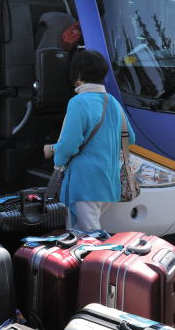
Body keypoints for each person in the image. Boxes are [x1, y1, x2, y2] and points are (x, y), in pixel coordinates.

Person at [43, 49, 136, 231]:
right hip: (110, 182)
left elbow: (69, 146)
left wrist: (57, 159)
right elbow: (130, 138)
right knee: (91, 232)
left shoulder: (78, 102)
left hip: (85, 183)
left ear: (78, 74)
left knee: (87, 236)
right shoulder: (113, 102)